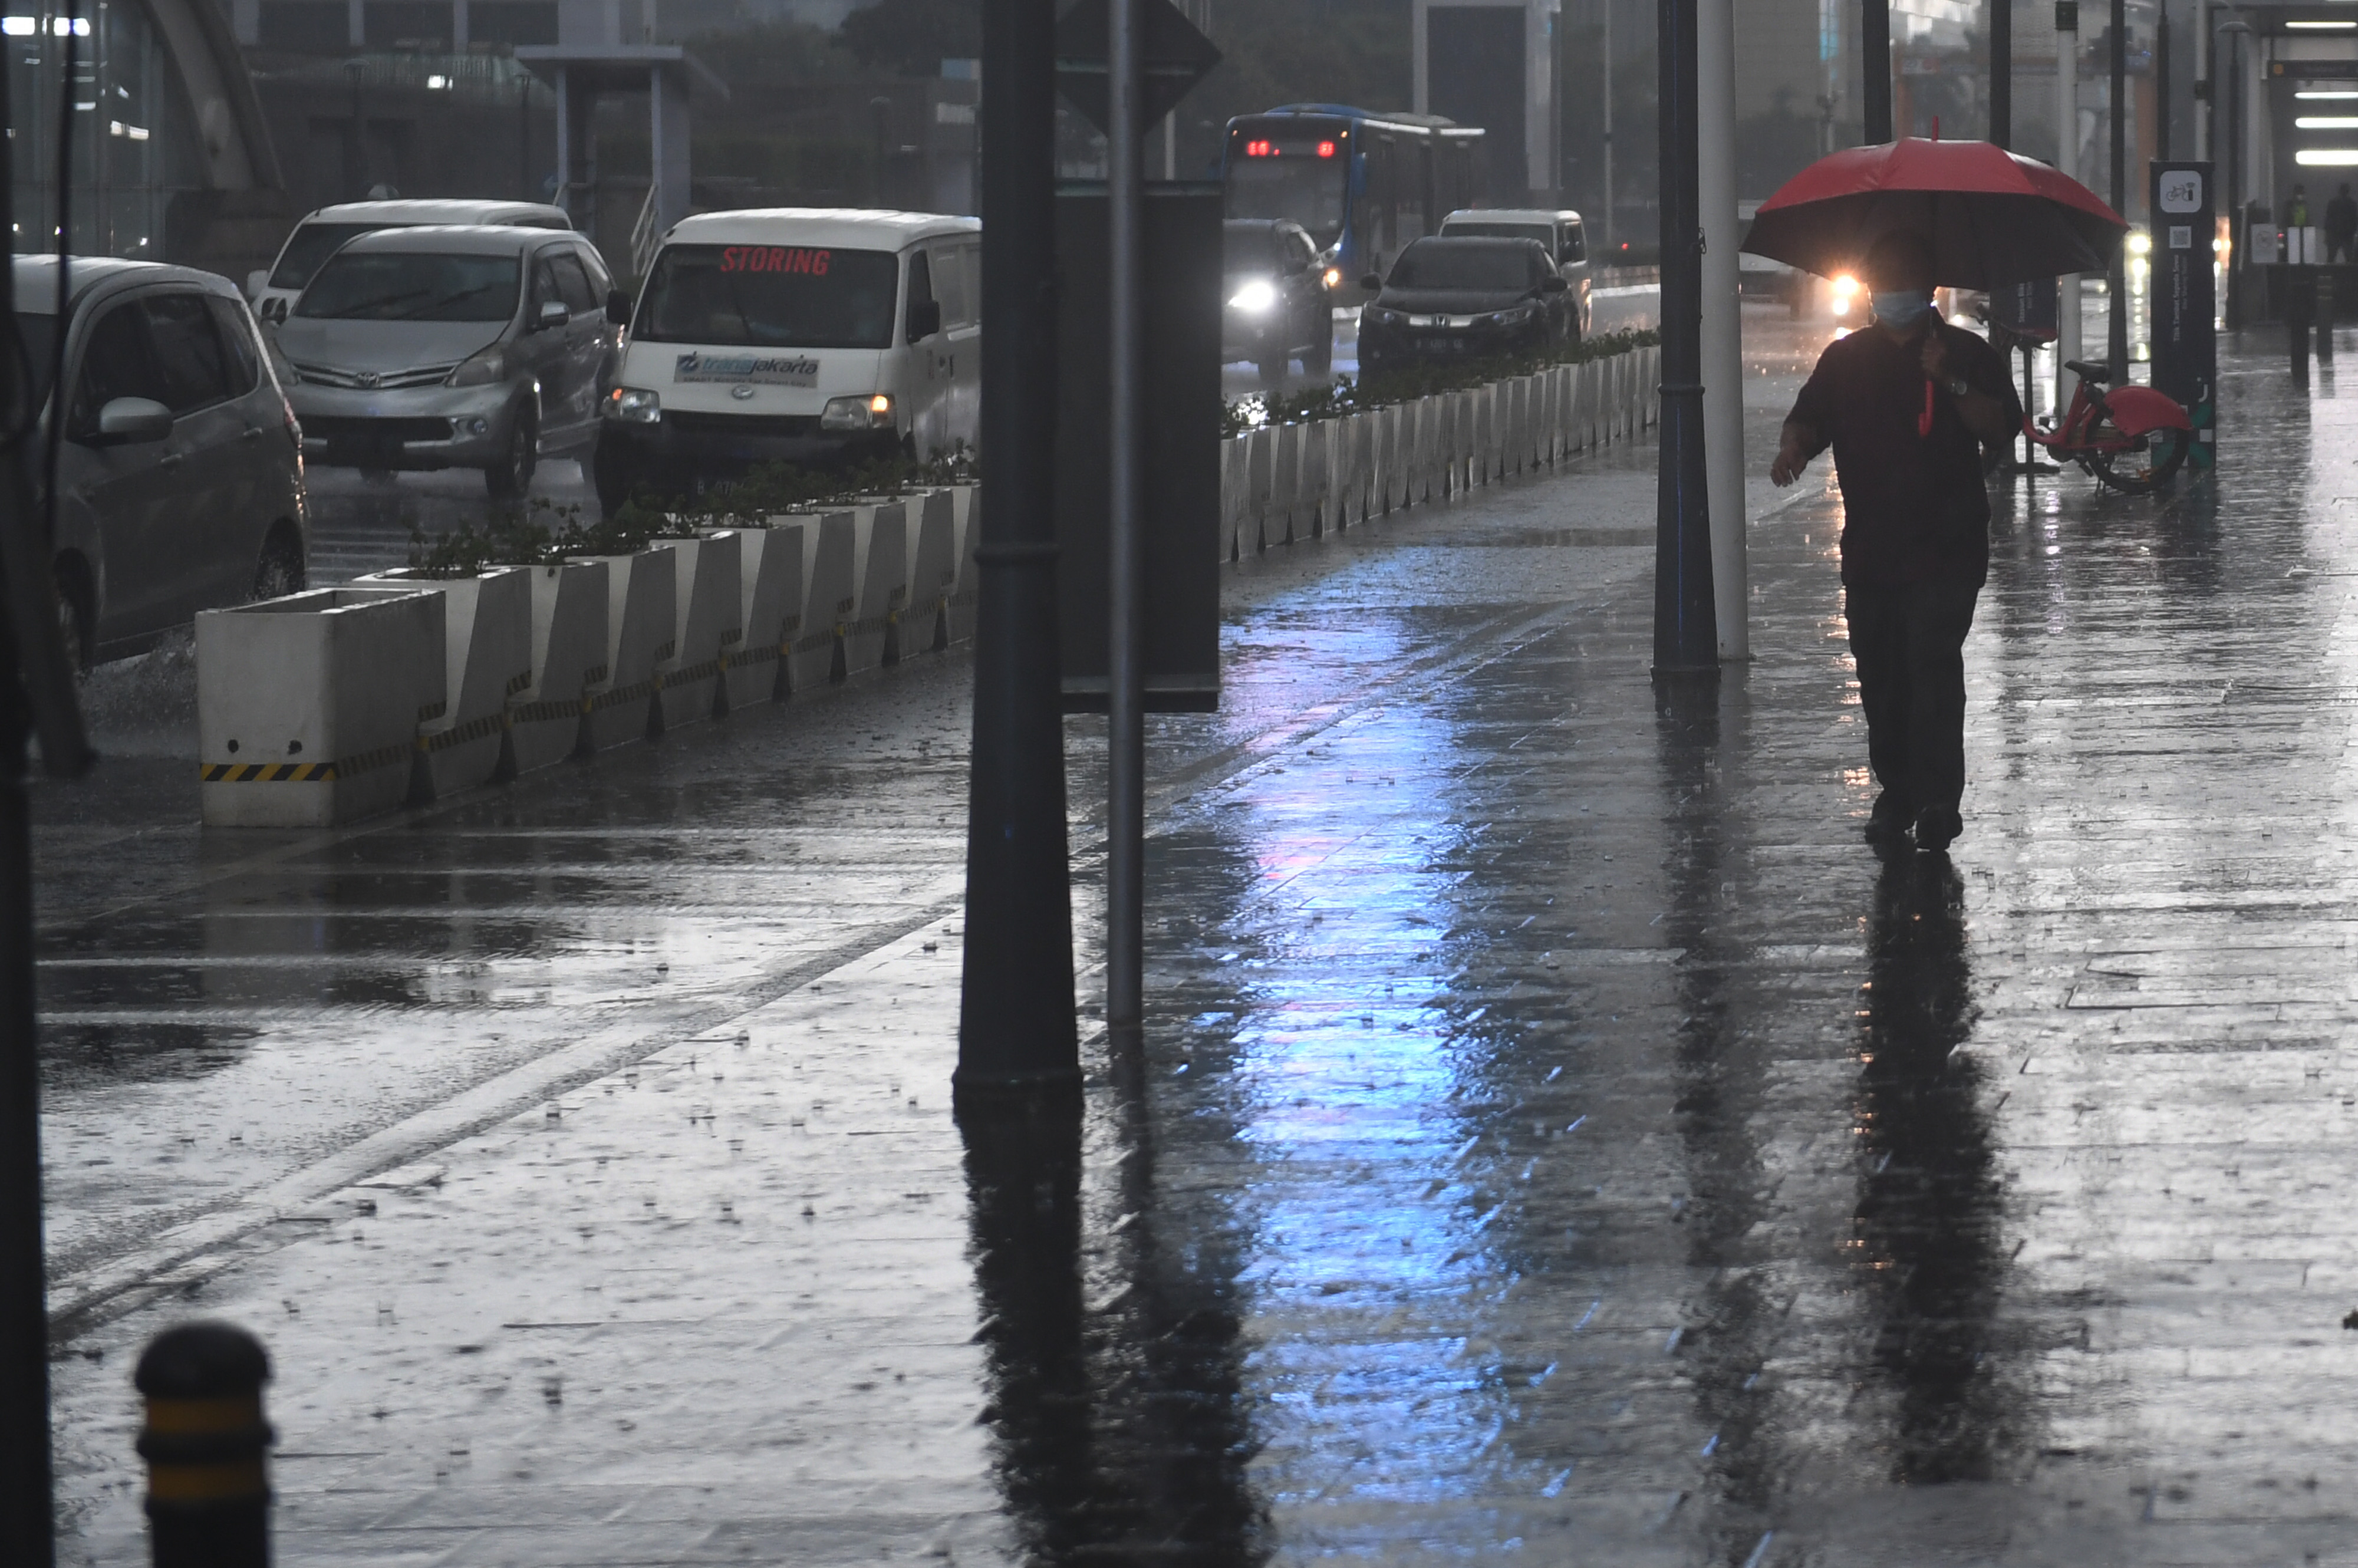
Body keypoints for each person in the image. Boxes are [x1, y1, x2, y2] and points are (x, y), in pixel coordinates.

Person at [1768, 230, 2023, 854]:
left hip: (1946, 547)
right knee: (1881, 674)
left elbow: (2001, 428)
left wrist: (1951, 383)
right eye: (1881, 284)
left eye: (1902, 284)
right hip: (1873, 551)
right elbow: (1809, 417)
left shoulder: (1965, 352)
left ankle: (1937, 800)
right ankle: (1896, 792)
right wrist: (1794, 447)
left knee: (1931, 667)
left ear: (1928, 290)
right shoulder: (1846, 359)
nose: (1891, 295)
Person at [2327, 183, 2358, 264]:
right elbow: (2355, 220)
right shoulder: (2352, 204)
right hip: (2347, 234)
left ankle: (2329, 270)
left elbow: (2329, 219)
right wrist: (2353, 231)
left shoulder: (2333, 203)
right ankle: (2349, 272)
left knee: (2331, 258)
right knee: (2349, 259)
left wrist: (2328, 233)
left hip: (2335, 233)